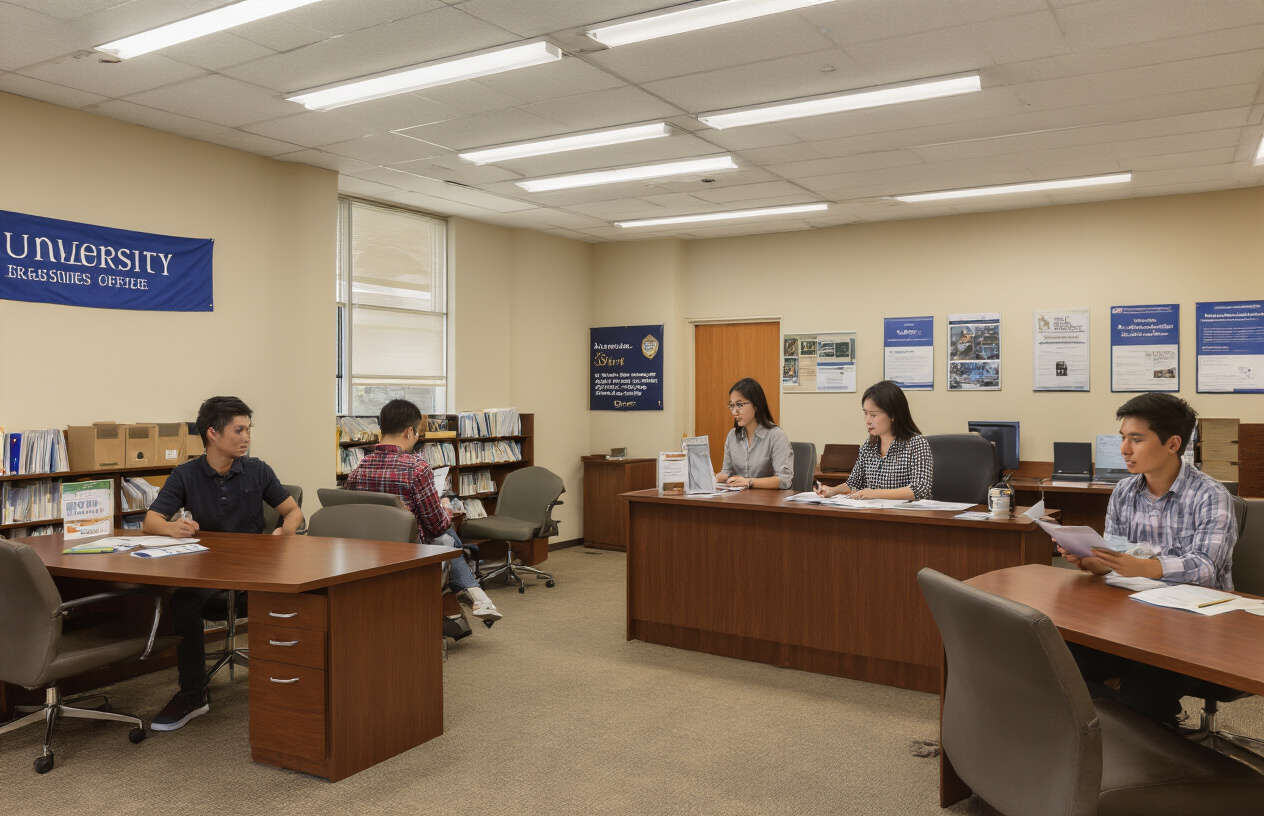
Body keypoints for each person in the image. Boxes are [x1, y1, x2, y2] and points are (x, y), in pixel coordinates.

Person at [1053, 393, 1238, 726]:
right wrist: (1095, 562)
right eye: (1123, 438)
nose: (1124, 449)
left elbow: (1207, 567)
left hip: (1199, 631)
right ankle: (1116, 739)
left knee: (1142, 693)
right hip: (1135, 620)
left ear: (1172, 443)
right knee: (1063, 661)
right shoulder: (1125, 491)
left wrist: (1144, 567)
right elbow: (1117, 553)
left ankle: (1167, 756)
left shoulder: (1210, 495)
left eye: (1136, 439)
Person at [143, 396, 303, 732]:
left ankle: (292, 683)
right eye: (239, 430)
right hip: (207, 571)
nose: (247, 437)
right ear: (213, 433)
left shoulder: (258, 470)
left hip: (255, 571)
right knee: (184, 602)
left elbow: (293, 512)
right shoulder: (186, 474)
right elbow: (151, 521)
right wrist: (174, 527)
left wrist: (282, 533)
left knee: (295, 601)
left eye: (249, 429)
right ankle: (192, 693)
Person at [344, 399, 503, 624]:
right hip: (410, 552)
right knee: (448, 534)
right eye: (417, 434)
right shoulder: (416, 467)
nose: (416, 438)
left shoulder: (359, 468)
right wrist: (445, 509)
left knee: (447, 537)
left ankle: (474, 597)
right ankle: (475, 594)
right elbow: (435, 525)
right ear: (409, 432)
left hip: (369, 551)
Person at [815, 380, 932, 501]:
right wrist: (832, 491)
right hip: (875, 514)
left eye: (873, 415)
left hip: (906, 515)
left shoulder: (916, 444)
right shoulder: (869, 445)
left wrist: (875, 493)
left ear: (893, 415)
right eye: (865, 413)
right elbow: (854, 483)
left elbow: (920, 489)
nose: (867, 420)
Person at [715, 378, 793, 490]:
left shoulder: (776, 436)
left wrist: (749, 482)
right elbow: (727, 471)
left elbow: (784, 480)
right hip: (739, 499)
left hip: (769, 501)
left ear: (756, 405)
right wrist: (714, 478)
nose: (734, 411)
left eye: (740, 405)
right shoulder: (732, 436)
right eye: (732, 406)